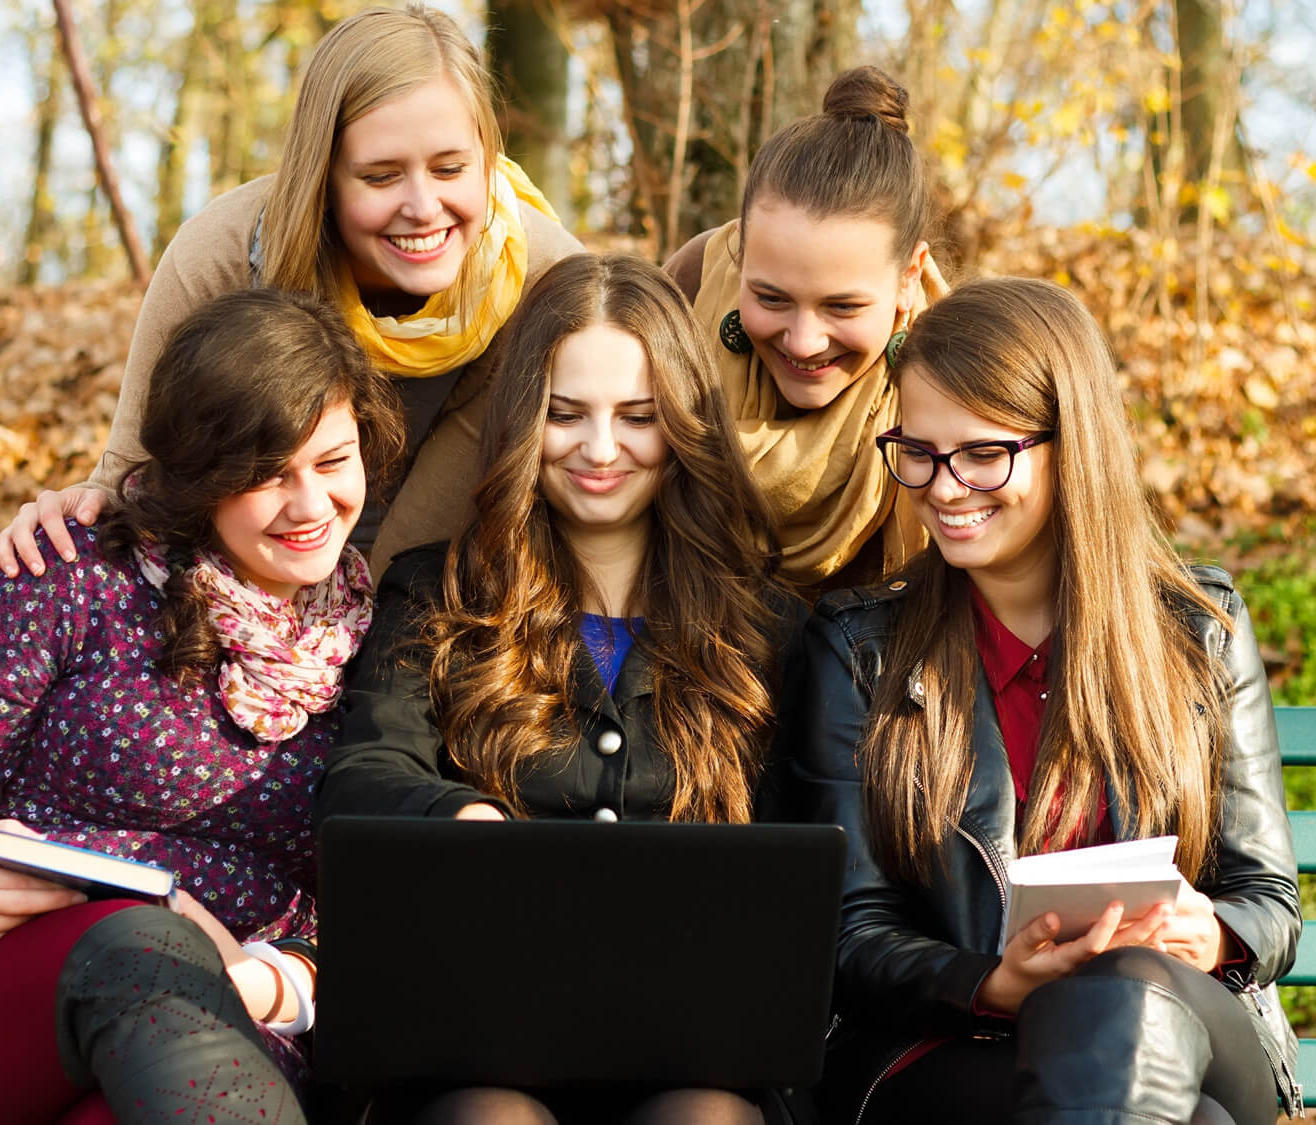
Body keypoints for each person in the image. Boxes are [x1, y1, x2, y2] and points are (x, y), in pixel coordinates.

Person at [0, 287, 407, 1125]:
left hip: (234, 1035)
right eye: (266, 475)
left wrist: (264, 979)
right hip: (6, 1001)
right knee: (145, 943)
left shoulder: (378, 646)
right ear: (201, 476)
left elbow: (386, 910)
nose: (310, 505)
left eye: (331, 462)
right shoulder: (70, 578)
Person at [793, 276, 1302, 1125]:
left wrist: (1203, 931)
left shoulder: (1196, 629)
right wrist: (995, 980)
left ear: (1074, 445)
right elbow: (852, 931)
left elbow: (1267, 899)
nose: (944, 488)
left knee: (1128, 996)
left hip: (1190, 1016)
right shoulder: (858, 649)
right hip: (952, 1042)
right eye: (917, 450)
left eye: (983, 453)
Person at [316, 253, 808, 1124]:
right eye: (566, 414)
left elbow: (806, 856)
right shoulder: (437, 593)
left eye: (638, 417)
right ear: (520, 421)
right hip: (471, 1043)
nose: (601, 449)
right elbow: (364, 771)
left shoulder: (763, 626)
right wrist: (457, 818)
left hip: (695, 1050)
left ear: (685, 422)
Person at [0, 3, 580, 582]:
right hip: (247, 571)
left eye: (451, 170)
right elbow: (133, 477)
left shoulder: (544, 279)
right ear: (322, 174)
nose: (424, 209)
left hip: (438, 579)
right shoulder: (222, 255)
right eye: (380, 176)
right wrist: (68, 525)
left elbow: (420, 556)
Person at [664, 65, 948, 597]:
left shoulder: (959, 388)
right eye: (771, 298)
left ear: (909, 279)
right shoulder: (688, 289)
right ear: (741, 254)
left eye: (842, 307)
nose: (803, 341)